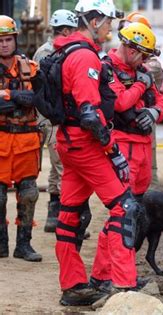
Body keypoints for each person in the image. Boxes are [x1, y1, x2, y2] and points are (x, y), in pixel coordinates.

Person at [51, 0, 142, 306]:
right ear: (92, 21)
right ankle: (123, 284)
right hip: (86, 144)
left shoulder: (64, 50)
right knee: (124, 207)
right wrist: (113, 150)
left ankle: (74, 286)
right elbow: (90, 114)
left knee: (69, 216)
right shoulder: (85, 56)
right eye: (106, 23)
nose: (109, 29)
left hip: (68, 142)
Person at [0, 15, 42, 262]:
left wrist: (9, 96)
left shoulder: (31, 68)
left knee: (28, 193)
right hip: (1, 140)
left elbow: (42, 99)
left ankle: (23, 245)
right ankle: (1, 243)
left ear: (15, 39)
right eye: (0, 40)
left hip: (27, 141)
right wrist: (17, 97)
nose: (4, 44)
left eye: (8, 39)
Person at [33, 9, 77, 233]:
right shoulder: (50, 53)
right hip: (50, 118)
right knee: (61, 166)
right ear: (67, 30)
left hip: (50, 116)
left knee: (56, 167)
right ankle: (63, 218)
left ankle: (54, 213)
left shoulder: (48, 51)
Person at [117, 12, 163, 189]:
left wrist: (156, 111)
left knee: (148, 176)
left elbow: (158, 98)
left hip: (144, 125)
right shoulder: (119, 62)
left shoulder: (150, 66)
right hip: (124, 131)